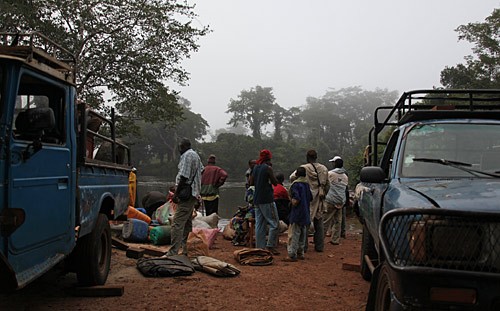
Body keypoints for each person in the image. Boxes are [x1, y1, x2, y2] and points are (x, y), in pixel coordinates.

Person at [166, 138, 204, 256]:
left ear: (183, 147)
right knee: (187, 223)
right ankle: (185, 250)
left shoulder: (187, 155)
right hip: (193, 192)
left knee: (177, 223)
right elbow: (202, 170)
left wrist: (176, 193)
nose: (179, 150)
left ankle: (173, 252)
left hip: (187, 193)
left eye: (179, 147)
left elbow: (184, 176)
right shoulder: (195, 155)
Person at [290, 149, 330, 252]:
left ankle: (304, 247)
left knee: (305, 222)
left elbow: (292, 177)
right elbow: (328, 184)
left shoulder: (304, 168)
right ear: (316, 157)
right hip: (319, 198)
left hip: (306, 197)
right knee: (319, 221)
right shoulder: (324, 168)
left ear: (307, 157)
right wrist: (323, 193)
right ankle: (319, 246)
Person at [248, 149, 281, 255]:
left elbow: (251, 182)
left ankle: (260, 247)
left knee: (259, 224)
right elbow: (275, 183)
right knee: (274, 223)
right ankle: (270, 246)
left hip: (257, 199)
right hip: (267, 199)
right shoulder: (268, 168)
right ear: (269, 158)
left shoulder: (255, 168)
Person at [285, 166, 312, 262]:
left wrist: (291, 201)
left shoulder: (295, 185)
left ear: (296, 175)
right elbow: (311, 198)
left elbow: (296, 200)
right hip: (305, 212)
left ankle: (292, 254)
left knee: (294, 234)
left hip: (297, 212)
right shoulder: (307, 184)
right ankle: (301, 252)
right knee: (302, 233)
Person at [323, 156, 349, 245]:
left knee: (325, 221)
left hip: (330, 200)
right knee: (338, 221)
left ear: (334, 164)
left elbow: (325, 185)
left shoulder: (330, 174)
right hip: (340, 201)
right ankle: (335, 240)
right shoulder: (345, 176)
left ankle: (320, 239)